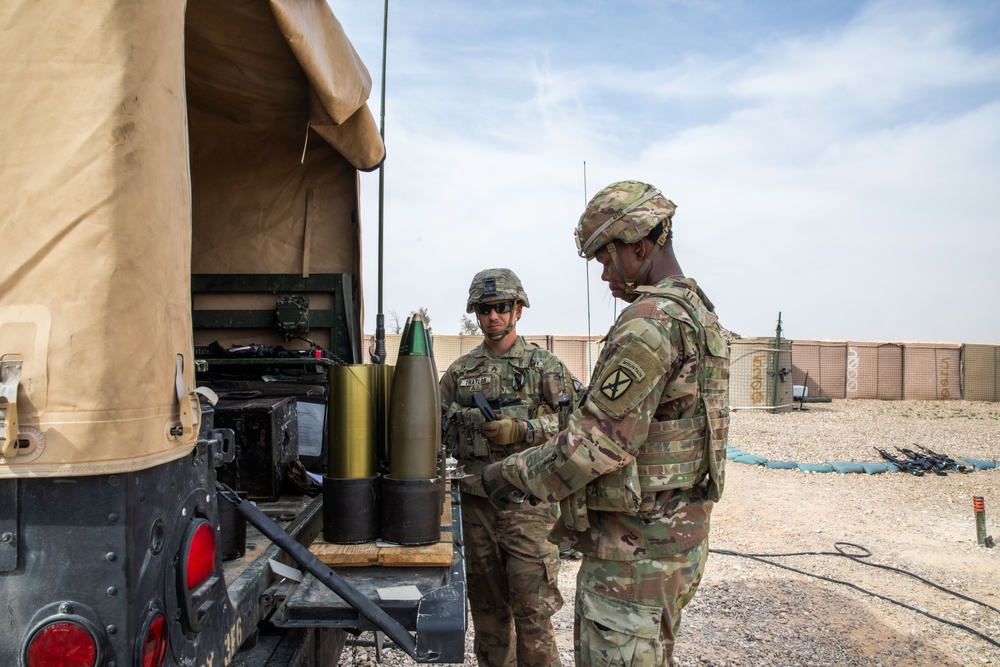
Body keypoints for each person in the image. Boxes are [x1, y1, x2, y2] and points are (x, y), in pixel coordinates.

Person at [481, 181, 730, 667]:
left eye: (605, 258)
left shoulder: (650, 320)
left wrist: (508, 475)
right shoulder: (699, 313)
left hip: (634, 552)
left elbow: (594, 443)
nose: (603, 275)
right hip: (677, 539)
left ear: (639, 246)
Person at [441, 268, 581, 667]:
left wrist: (521, 428)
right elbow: (432, 423)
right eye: (484, 309)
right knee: (488, 617)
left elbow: (580, 427)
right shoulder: (460, 373)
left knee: (533, 616)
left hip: (529, 507)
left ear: (518, 310)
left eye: (501, 307)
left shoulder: (544, 367)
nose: (493, 317)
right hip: (477, 506)